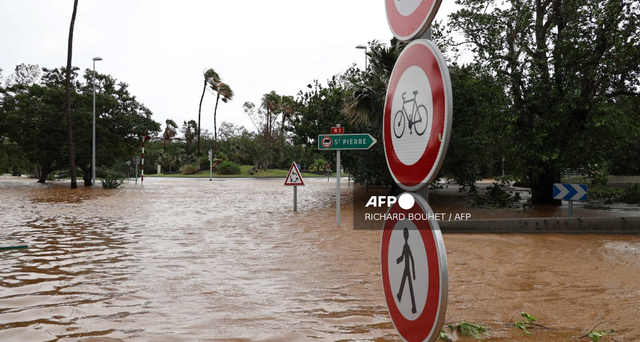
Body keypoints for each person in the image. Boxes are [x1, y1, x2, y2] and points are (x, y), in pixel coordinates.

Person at [396, 227, 417, 314]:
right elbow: (403, 256)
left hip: (407, 268)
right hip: (406, 268)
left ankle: (414, 307)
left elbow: (412, 259)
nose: (405, 236)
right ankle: (400, 295)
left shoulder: (407, 246)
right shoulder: (405, 246)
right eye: (404, 234)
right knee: (405, 283)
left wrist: (414, 273)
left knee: (410, 287)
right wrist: (398, 260)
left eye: (406, 234)